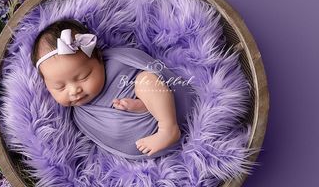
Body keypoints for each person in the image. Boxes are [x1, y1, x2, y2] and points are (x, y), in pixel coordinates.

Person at [31, 19, 196, 160]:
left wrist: (147, 94)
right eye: (60, 87)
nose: (74, 90)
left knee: (146, 80)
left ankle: (168, 128)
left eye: (83, 77)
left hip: (175, 114)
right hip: (150, 152)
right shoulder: (80, 117)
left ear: (99, 59)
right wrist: (141, 107)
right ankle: (144, 107)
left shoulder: (118, 63)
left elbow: (157, 75)